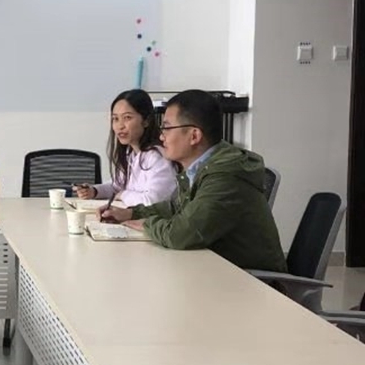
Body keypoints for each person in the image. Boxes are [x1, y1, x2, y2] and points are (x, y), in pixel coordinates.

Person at [99, 89, 287, 273]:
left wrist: (146, 224)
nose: (162, 136)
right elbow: (175, 207)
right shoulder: (200, 168)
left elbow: (181, 234)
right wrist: (132, 213)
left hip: (252, 281)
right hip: (216, 269)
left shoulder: (225, 176)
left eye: (167, 128)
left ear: (194, 136)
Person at [74, 89, 176, 206]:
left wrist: (123, 195)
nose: (120, 126)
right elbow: (118, 186)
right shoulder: (131, 153)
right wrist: (94, 191)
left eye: (127, 118)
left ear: (146, 121)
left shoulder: (157, 156)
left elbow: (152, 201)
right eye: (115, 119)